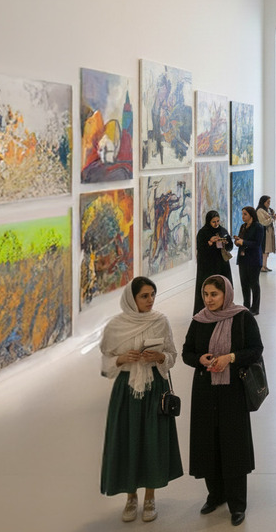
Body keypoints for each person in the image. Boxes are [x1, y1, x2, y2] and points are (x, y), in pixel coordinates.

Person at [181, 275, 264, 527]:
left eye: (214, 294)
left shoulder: (242, 317)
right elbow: (186, 352)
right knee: (208, 442)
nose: (209, 299)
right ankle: (215, 495)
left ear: (226, 294)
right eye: (205, 294)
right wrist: (200, 359)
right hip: (205, 391)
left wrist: (230, 357)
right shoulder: (199, 320)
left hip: (233, 391)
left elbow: (256, 350)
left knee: (233, 444)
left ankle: (237, 504)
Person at [99, 276, 183, 523]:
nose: (150, 300)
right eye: (144, 296)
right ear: (131, 298)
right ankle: (130, 497)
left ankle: (150, 497)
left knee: (152, 441)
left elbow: (171, 354)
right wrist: (122, 359)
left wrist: (159, 357)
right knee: (129, 440)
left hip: (154, 388)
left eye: (152, 295)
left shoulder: (160, 321)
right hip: (127, 390)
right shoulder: (116, 326)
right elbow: (105, 361)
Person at [195, 211, 234, 314]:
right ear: (209, 221)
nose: (216, 224)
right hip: (208, 267)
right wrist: (210, 242)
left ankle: (224, 310)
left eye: (218, 221)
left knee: (223, 287)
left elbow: (230, 246)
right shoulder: (203, 233)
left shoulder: (223, 230)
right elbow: (201, 250)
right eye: (213, 222)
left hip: (222, 265)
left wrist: (226, 243)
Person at [232, 207, 264, 315]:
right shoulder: (243, 226)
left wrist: (243, 242)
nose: (243, 216)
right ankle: (246, 306)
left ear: (251, 215)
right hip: (243, 258)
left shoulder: (258, 227)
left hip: (254, 259)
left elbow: (257, 244)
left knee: (254, 284)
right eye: (242, 214)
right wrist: (238, 241)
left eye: (245, 214)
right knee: (244, 284)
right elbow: (241, 240)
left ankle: (255, 308)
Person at [255, 196, 276, 272]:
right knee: (264, 249)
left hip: (268, 231)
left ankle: (265, 265)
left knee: (267, 251)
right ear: (263, 202)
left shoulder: (268, 210)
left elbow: (270, 219)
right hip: (263, 231)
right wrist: (272, 218)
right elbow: (263, 222)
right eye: (268, 202)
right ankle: (262, 266)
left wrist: (273, 217)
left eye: (269, 202)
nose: (269, 204)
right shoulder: (260, 211)